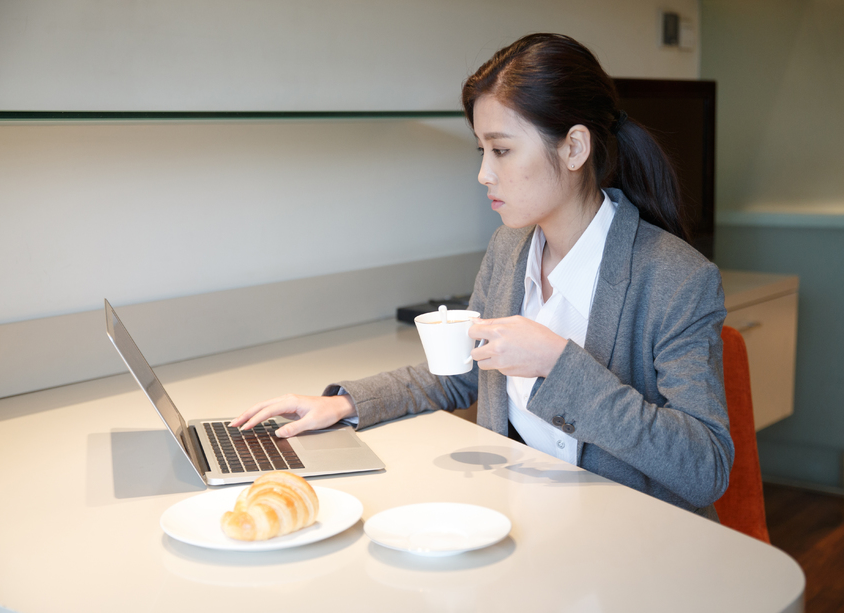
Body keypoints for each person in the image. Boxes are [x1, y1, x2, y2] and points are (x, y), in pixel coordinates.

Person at [231, 33, 734, 518]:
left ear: (575, 148)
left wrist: (559, 364)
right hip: (518, 516)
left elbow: (705, 467)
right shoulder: (509, 247)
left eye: (502, 150)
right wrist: (343, 404)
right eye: (481, 151)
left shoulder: (677, 279)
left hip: (623, 541)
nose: (484, 174)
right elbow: (466, 370)